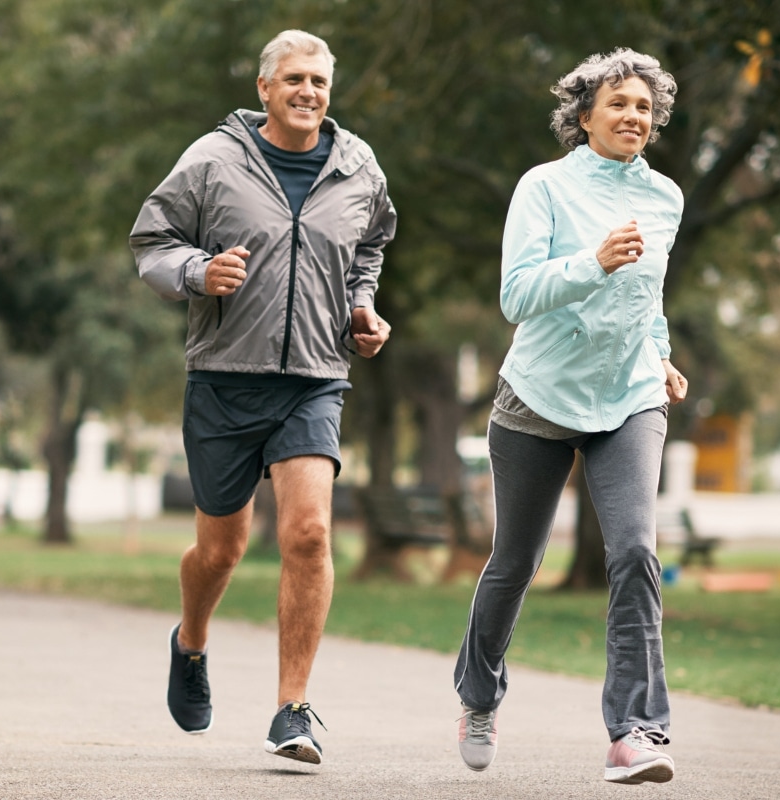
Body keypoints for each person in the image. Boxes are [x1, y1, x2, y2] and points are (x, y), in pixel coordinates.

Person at [129, 29, 395, 766]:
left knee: (308, 533)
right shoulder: (212, 160)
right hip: (224, 376)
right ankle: (190, 642)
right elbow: (151, 241)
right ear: (265, 89)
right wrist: (195, 272)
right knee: (222, 551)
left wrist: (361, 308)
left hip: (315, 377)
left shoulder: (357, 165)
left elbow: (370, 245)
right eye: (294, 80)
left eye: (319, 81)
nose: (308, 92)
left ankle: (292, 708)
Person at [452, 48, 687, 784]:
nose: (633, 116)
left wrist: (662, 352)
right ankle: (479, 695)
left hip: (628, 396)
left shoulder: (667, 198)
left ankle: (636, 732)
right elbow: (516, 296)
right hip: (540, 397)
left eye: (645, 107)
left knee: (635, 552)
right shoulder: (544, 187)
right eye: (618, 103)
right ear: (583, 115)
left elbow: (647, 300)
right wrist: (594, 261)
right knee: (516, 562)